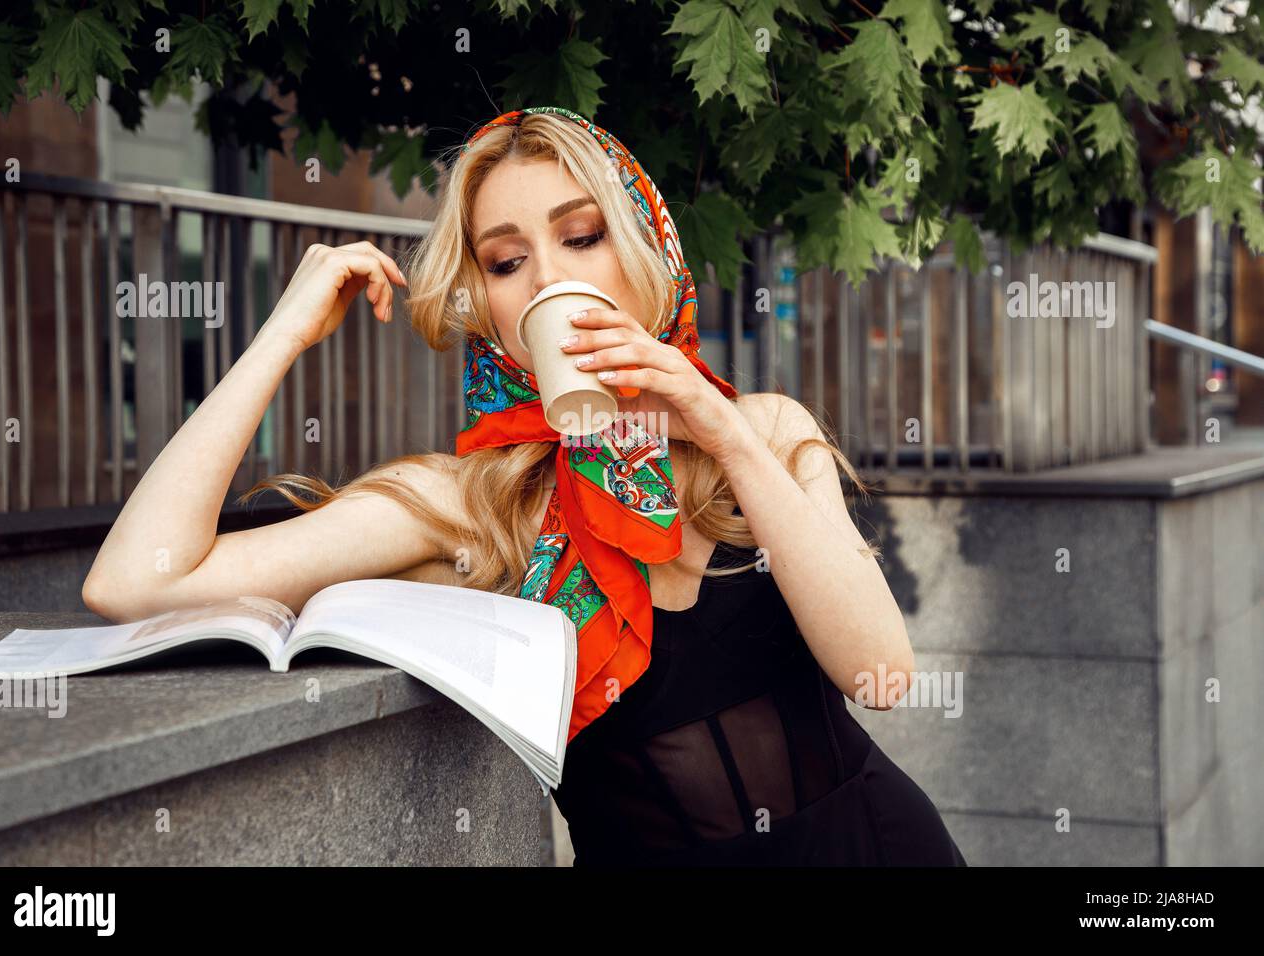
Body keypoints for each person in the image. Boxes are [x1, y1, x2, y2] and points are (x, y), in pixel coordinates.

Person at [82, 106, 966, 867]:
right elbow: (137, 582)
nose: (549, 279)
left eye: (582, 238)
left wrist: (714, 422)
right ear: (491, 314)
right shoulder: (471, 503)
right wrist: (279, 336)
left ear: (646, 250)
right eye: (506, 263)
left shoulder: (764, 430)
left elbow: (880, 671)